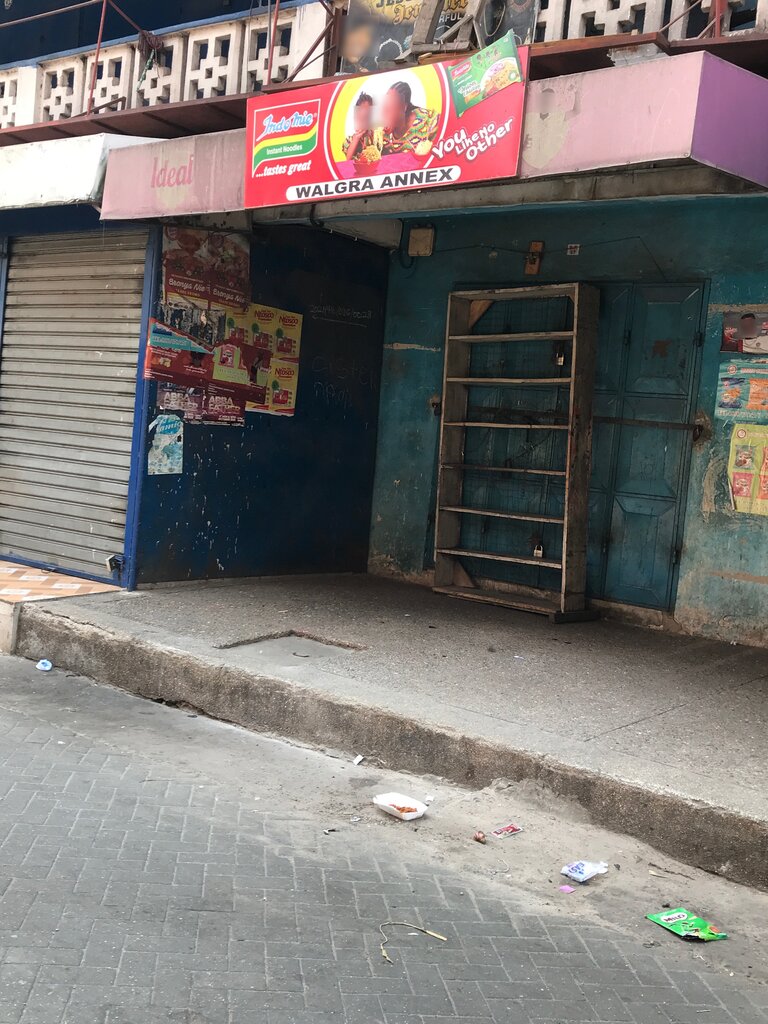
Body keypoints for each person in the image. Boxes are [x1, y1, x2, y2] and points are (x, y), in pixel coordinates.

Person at [380, 81, 438, 156]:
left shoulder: (428, 120)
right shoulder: (381, 135)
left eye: (391, 107)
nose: (385, 114)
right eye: (384, 107)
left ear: (404, 107)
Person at [343, 92, 375, 160]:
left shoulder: (377, 137)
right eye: (360, 116)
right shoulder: (349, 141)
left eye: (367, 116)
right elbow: (348, 160)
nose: (363, 120)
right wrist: (356, 138)